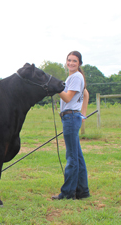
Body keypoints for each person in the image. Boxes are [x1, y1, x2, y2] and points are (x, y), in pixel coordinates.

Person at [52, 51, 90, 200]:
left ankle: (68, 193)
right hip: (73, 117)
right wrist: (83, 114)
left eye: (74, 61)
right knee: (77, 156)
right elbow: (85, 93)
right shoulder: (74, 77)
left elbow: (67, 98)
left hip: (70, 118)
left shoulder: (75, 77)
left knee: (72, 157)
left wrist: (56, 88)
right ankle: (82, 191)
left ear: (79, 63)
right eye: (69, 60)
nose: (71, 63)